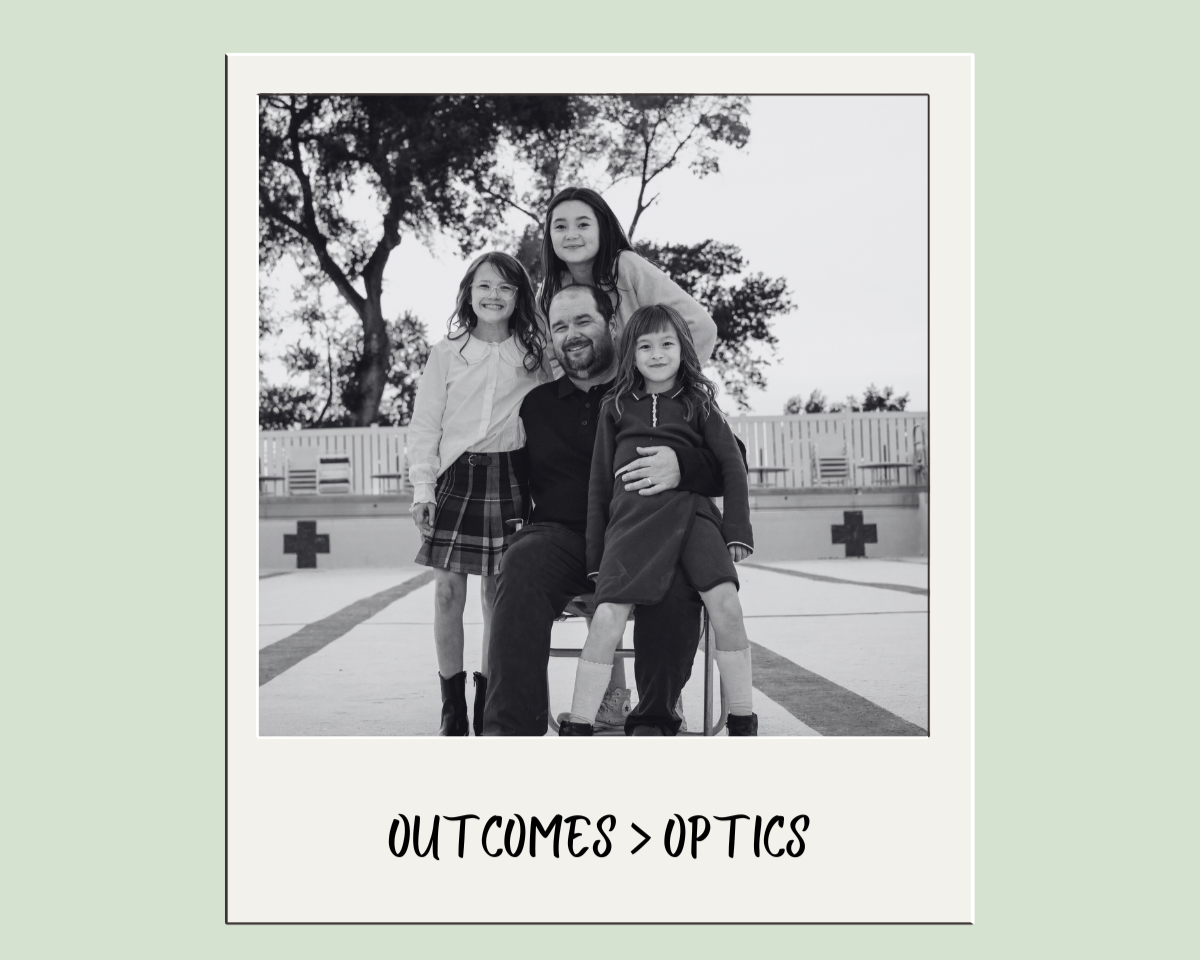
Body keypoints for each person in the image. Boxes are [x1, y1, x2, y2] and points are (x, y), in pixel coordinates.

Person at [482, 283, 729, 736]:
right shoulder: (535, 406)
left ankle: (655, 716)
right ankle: (511, 731)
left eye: (583, 321)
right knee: (519, 561)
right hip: (566, 539)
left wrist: (683, 466)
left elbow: (732, 463)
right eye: (559, 326)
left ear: (612, 325)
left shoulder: (652, 393)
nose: (571, 334)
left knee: (676, 581)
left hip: (649, 533)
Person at [533, 185, 721, 724]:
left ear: (602, 228)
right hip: (590, 432)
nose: (571, 234)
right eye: (560, 225)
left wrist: (661, 387)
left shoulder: (628, 269)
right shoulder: (553, 292)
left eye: (583, 223)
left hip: (645, 426)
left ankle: (663, 695)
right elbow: (551, 358)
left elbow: (700, 328)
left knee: (666, 558)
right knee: (606, 559)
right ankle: (609, 695)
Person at [559, 304, 758, 737]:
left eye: (667, 343)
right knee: (608, 613)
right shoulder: (615, 407)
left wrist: (737, 529)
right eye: (645, 346)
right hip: (631, 523)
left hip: (694, 519)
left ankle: (742, 716)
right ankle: (579, 721)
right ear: (630, 353)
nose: (657, 354)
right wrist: (597, 556)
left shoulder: (698, 403)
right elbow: (598, 485)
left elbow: (732, 465)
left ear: (683, 349)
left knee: (725, 602)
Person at [407, 252, 550, 736]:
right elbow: (425, 425)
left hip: (510, 479)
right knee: (448, 594)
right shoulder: (446, 352)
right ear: (469, 292)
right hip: (456, 480)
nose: (494, 295)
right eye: (484, 286)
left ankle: (489, 700)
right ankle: (452, 708)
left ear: (519, 298)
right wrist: (422, 487)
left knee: (496, 597)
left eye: (506, 288)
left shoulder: (534, 354)